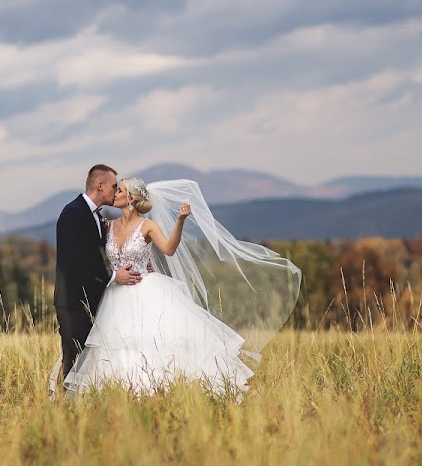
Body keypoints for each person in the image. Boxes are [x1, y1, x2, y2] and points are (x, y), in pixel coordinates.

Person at [63, 176, 302, 396]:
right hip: (115, 296)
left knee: (152, 343)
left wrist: (180, 221)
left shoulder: (147, 226)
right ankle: (120, 392)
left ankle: (159, 390)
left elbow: (168, 249)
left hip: (145, 290)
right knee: (118, 346)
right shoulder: (108, 225)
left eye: (121, 190)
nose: (115, 193)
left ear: (133, 199)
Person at [53, 164, 144, 390]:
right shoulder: (72, 213)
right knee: (73, 355)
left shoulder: (97, 216)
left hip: (93, 300)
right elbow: (76, 259)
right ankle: (64, 403)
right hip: (72, 300)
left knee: (89, 357)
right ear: (100, 185)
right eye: (114, 186)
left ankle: (81, 400)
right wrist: (114, 276)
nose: (116, 191)